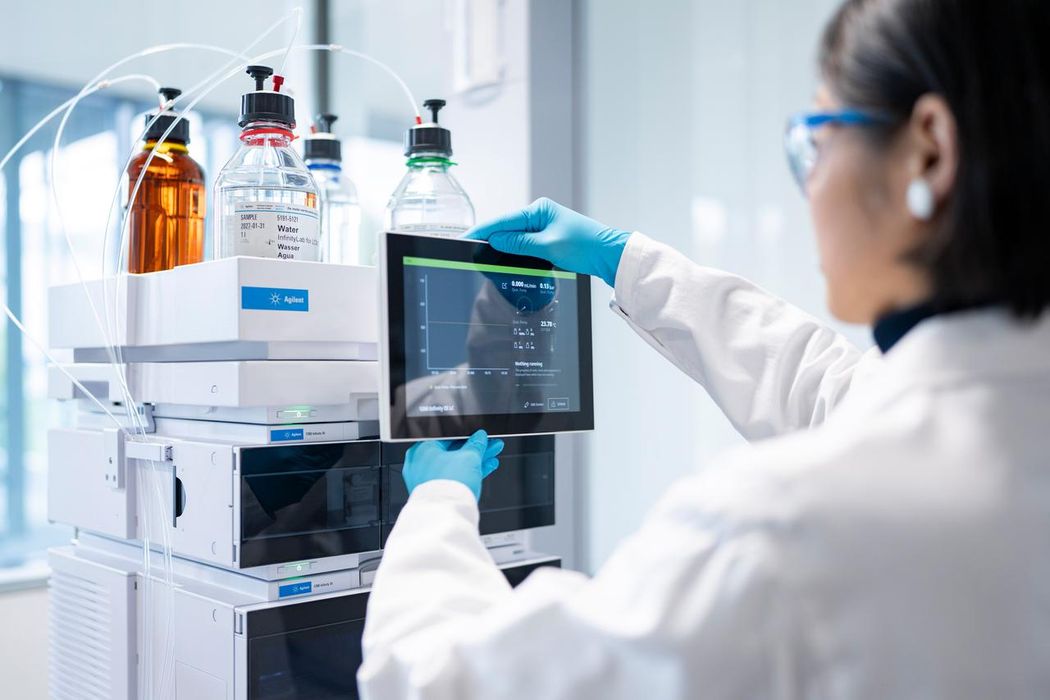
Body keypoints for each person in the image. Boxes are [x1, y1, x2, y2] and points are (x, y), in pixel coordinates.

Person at [358, 0, 1050, 696]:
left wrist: (439, 506)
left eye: (818, 138)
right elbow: (832, 390)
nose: (810, 184)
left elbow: (432, 681)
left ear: (929, 148)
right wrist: (626, 261)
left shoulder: (778, 531)